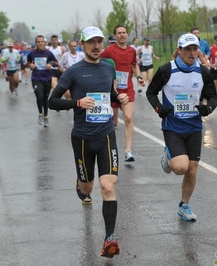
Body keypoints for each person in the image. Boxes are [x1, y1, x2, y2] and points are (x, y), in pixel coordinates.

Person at [48, 26, 128, 259]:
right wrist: (77, 103)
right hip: (82, 138)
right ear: (82, 45)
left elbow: (110, 94)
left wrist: (119, 97)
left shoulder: (108, 68)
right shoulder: (73, 72)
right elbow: (52, 102)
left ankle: (109, 238)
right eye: (91, 42)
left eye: (99, 42)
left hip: (105, 136)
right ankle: (80, 184)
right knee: (87, 188)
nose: (96, 46)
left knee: (108, 187)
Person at [147, 33, 217, 221]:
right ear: (179, 50)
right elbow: (151, 92)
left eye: (195, 49)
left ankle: (184, 206)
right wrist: (158, 108)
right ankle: (168, 157)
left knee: (192, 170)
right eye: (187, 49)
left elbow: (213, 96)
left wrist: (208, 108)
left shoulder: (203, 72)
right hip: (172, 126)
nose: (192, 53)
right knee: (180, 168)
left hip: (194, 126)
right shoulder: (166, 70)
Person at [101, 24, 146, 162]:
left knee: (128, 118)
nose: (122, 35)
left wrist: (138, 76)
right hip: (112, 90)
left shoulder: (132, 51)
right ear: (115, 36)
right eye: (119, 33)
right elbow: (99, 62)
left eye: (124, 32)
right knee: (108, 121)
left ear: (127, 35)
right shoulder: (108, 51)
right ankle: (105, 149)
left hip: (127, 89)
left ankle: (128, 151)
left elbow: (134, 65)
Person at [27, 35, 57, 127]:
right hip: (36, 78)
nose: (40, 43)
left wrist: (50, 64)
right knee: (39, 96)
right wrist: (30, 66)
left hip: (47, 78)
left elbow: (56, 63)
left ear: (44, 43)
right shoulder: (32, 53)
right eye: (38, 42)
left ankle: (46, 116)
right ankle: (40, 114)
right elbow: (28, 61)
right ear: (36, 43)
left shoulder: (49, 53)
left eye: (42, 42)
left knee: (45, 99)